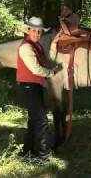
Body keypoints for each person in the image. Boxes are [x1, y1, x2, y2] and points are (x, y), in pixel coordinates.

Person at [16, 16, 59, 160]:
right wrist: (51, 73)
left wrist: (54, 45)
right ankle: (43, 155)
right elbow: (36, 69)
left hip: (34, 85)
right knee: (41, 120)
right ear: (28, 31)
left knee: (34, 119)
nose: (37, 34)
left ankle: (28, 151)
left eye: (39, 32)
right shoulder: (26, 47)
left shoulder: (37, 46)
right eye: (34, 31)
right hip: (29, 86)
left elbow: (45, 61)